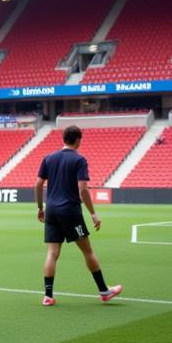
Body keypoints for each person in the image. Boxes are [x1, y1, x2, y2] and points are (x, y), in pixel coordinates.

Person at [35, 124, 122, 306]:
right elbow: (83, 189)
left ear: (63, 139)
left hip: (51, 210)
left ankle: (48, 296)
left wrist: (40, 208)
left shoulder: (48, 157)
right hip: (70, 211)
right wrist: (93, 214)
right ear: (78, 140)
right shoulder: (79, 159)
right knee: (87, 250)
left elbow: (38, 184)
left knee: (52, 253)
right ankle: (104, 291)